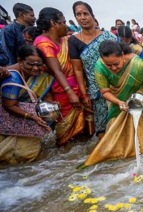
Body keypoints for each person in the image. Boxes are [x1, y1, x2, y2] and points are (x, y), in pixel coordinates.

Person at [80, 40, 143, 168]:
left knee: (140, 127)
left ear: (122, 55)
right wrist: (119, 102)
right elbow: (105, 91)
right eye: (109, 65)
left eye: (116, 64)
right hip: (115, 99)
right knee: (114, 128)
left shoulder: (137, 64)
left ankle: (142, 151)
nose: (113, 68)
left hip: (137, 100)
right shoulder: (99, 67)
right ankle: (119, 156)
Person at [34, 7, 86, 146]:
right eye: (63, 22)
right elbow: (56, 70)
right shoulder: (44, 43)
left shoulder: (66, 40)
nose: (66, 25)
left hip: (76, 88)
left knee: (81, 132)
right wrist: (70, 93)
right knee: (65, 133)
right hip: (60, 92)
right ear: (53, 23)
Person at [69, 1, 118, 138]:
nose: (83, 17)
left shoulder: (108, 36)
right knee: (102, 126)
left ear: (92, 15)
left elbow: (122, 59)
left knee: (119, 121)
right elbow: (77, 69)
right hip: (96, 91)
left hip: (116, 86)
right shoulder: (74, 40)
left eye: (86, 13)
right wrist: (84, 95)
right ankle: (105, 154)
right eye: (78, 14)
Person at [0, 45, 53, 164]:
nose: (35, 68)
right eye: (30, 64)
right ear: (20, 61)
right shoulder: (12, 78)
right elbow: (9, 105)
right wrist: (32, 117)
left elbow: (47, 95)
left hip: (22, 118)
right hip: (8, 117)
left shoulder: (41, 76)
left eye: (39, 65)